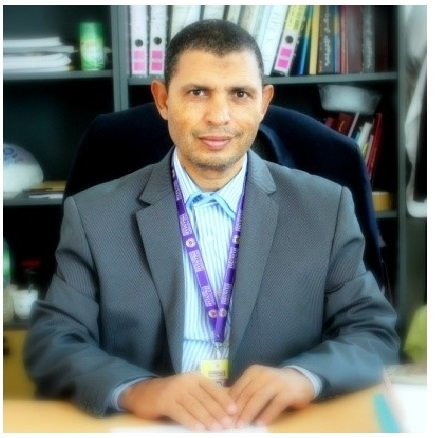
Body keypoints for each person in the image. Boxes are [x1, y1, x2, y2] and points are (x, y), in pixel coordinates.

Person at [24, 19, 399, 431]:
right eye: (197, 92)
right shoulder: (95, 216)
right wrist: (137, 390)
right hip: (150, 427)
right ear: (163, 100)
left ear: (263, 102)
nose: (219, 116)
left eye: (240, 94)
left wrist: (303, 378)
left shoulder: (325, 209)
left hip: (280, 426)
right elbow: (53, 342)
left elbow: (372, 332)